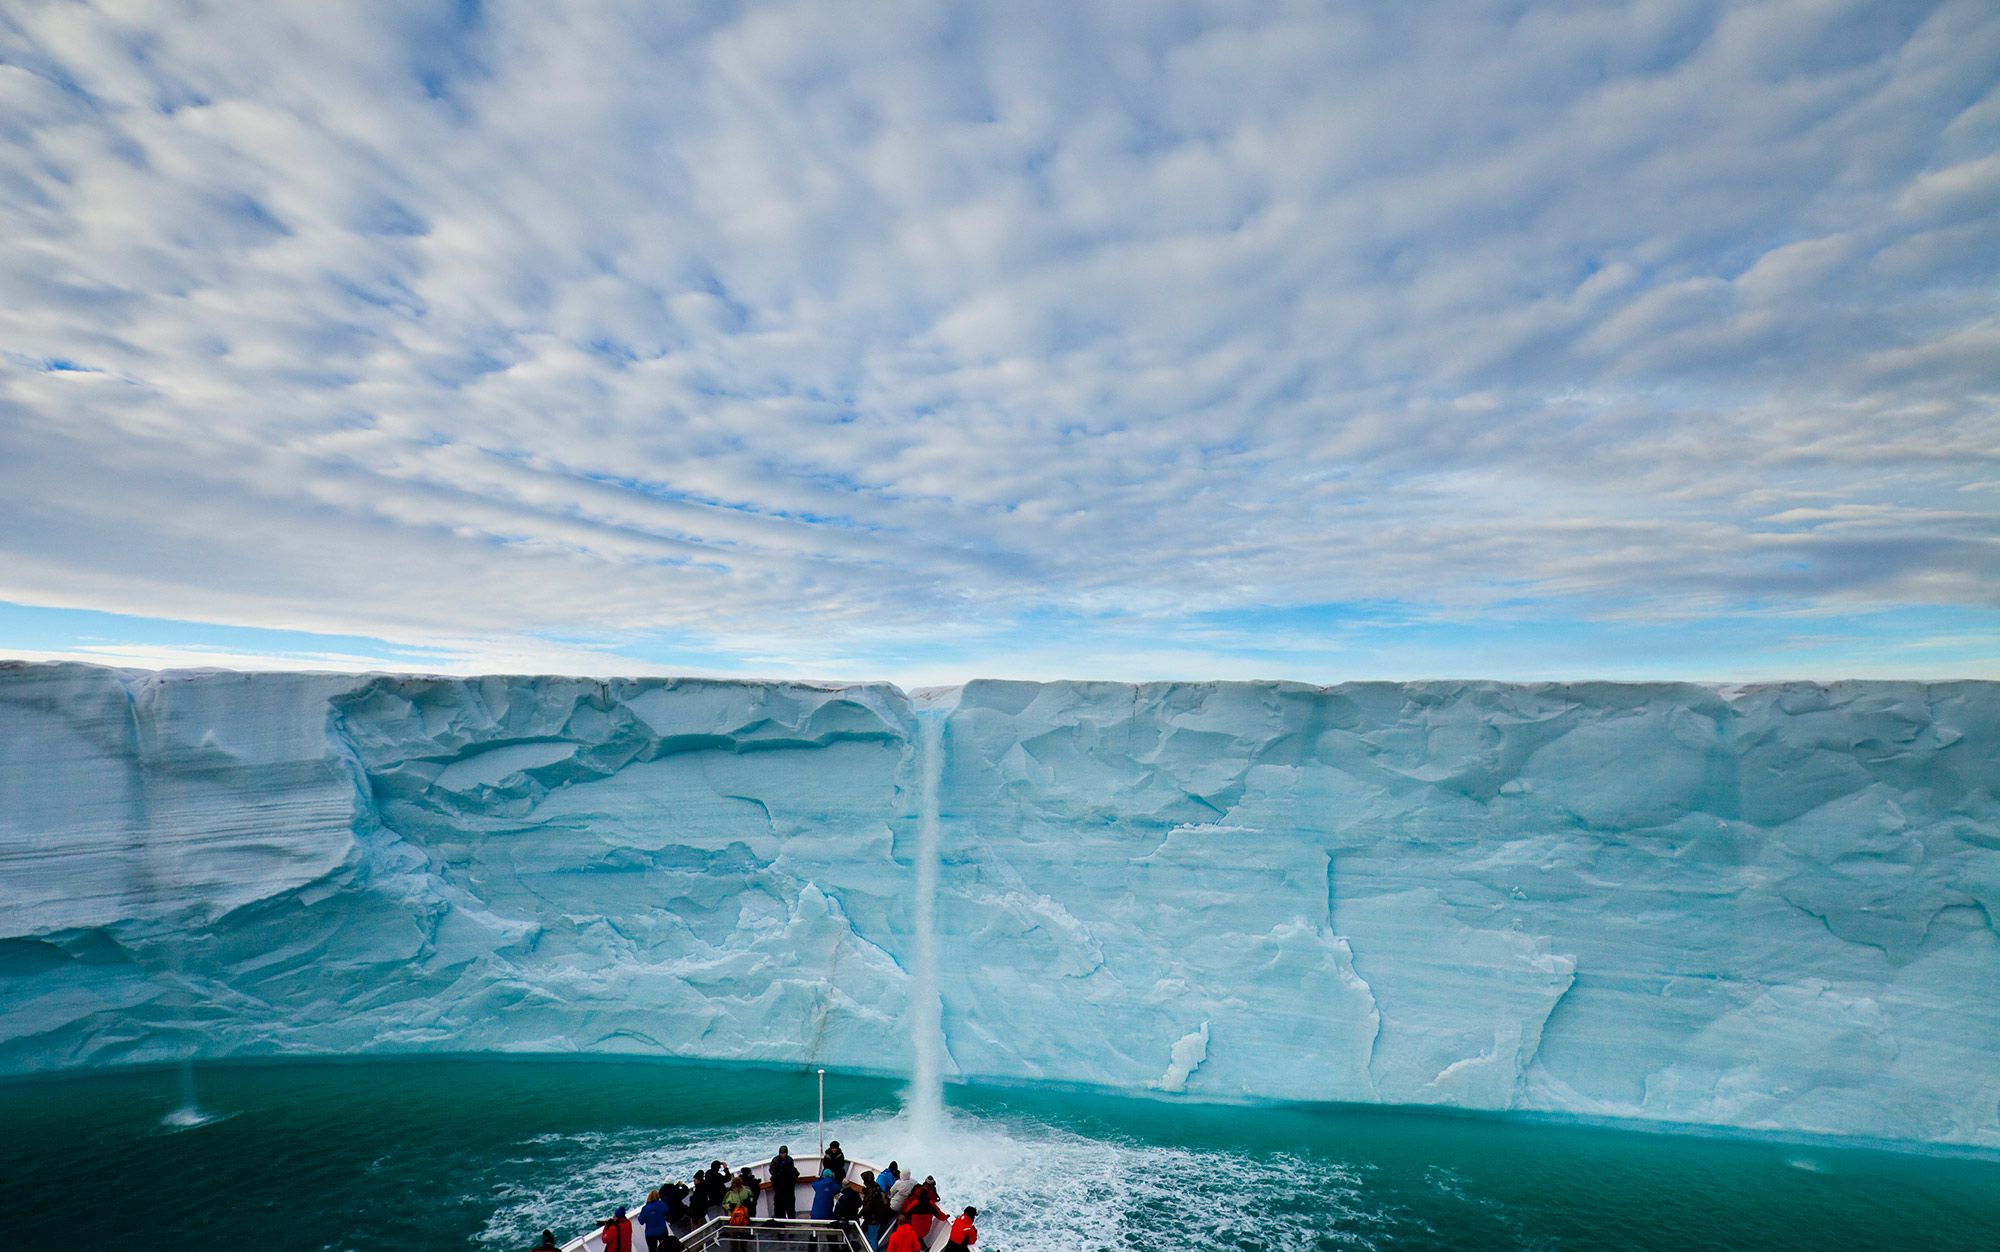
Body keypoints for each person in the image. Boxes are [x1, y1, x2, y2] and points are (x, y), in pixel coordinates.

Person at [904, 1177, 944, 1242]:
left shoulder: (915, 1202)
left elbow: (906, 1212)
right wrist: (946, 1216)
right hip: (925, 1232)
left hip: (914, 1229)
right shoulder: (931, 1204)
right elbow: (939, 1215)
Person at [861, 1174, 893, 1249]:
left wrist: (861, 1213)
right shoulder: (877, 1187)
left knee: (872, 1238)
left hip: (874, 1218)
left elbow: (868, 1205)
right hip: (878, 1216)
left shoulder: (871, 1192)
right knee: (869, 1233)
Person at [769, 1145, 800, 1219]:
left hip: (788, 1186)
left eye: (784, 1153)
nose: (783, 1154)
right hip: (779, 1187)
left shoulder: (790, 1160)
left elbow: (792, 1171)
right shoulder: (775, 1160)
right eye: (781, 1153)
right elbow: (772, 1170)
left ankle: (792, 1220)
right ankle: (780, 1220)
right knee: (779, 1205)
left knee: (790, 1205)